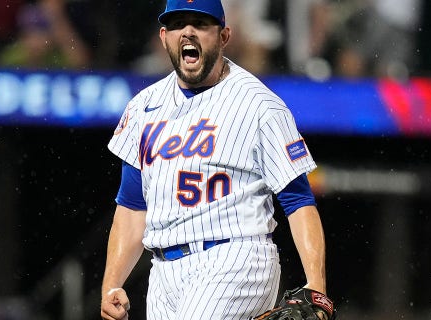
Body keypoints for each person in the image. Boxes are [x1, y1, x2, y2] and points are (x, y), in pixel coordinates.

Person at [100, 0, 332, 319]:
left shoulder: (260, 105)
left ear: (224, 36)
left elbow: (298, 199)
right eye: (179, 23)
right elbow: (131, 205)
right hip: (163, 271)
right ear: (164, 36)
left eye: (200, 23)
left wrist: (316, 286)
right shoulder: (143, 107)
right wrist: (112, 285)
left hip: (236, 256)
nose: (189, 31)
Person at [0, 0, 90, 70]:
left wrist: (56, 15)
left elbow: (81, 61)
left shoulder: (59, 57)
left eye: (42, 31)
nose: (38, 38)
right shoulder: (11, 56)